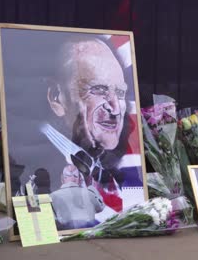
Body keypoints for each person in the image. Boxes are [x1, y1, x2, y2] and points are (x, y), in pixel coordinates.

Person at [42, 36, 143, 227]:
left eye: (120, 93)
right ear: (56, 96)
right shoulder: (35, 167)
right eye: (99, 90)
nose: (114, 109)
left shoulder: (105, 164)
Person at [50, 165, 105, 229]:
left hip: (65, 235)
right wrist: (92, 189)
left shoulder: (52, 196)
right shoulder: (89, 193)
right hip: (89, 233)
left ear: (62, 179)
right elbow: (100, 208)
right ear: (80, 179)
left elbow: (51, 218)